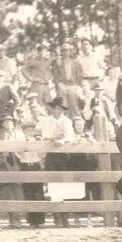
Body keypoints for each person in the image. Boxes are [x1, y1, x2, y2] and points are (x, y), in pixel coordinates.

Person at [41, 97, 74, 227]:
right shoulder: (47, 121)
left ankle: (65, 216)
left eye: (61, 109)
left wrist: (62, 140)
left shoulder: (67, 121)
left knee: (64, 184)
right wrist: (56, 137)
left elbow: (70, 136)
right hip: (51, 155)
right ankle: (57, 217)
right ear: (53, 108)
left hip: (64, 155)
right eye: (57, 108)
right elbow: (45, 137)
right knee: (53, 184)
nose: (59, 111)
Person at [0, 114, 28, 229]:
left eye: (11, 121)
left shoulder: (19, 133)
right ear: (2, 123)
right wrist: (2, 154)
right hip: (3, 164)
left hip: (16, 163)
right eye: (6, 121)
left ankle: (17, 219)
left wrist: (19, 154)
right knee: (5, 192)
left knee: (17, 191)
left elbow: (24, 148)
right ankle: (0, 219)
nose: (9, 123)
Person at [19, 127, 46, 228]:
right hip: (25, 165)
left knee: (38, 192)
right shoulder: (21, 140)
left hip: (35, 165)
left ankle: (40, 219)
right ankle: (31, 220)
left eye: (31, 129)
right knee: (28, 192)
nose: (29, 132)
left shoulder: (37, 140)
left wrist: (38, 143)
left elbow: (42, 155)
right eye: (27, 130)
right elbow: (17, 152)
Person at [53, 43, 82, 117]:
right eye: (64, 50)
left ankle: (77, 120)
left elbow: (79, 74)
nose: (66, 52)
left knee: (74, 104)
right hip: (62, 84)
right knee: (63, 104)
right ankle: (65, 121)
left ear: (70, 51)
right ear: (61, 52)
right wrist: (58, 84)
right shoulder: (58, 62)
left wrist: (77, 84)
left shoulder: (75, 61)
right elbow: (55, 74)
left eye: (68, 50)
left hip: (72, 85)